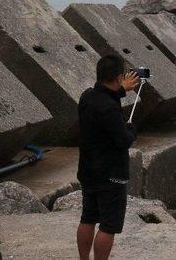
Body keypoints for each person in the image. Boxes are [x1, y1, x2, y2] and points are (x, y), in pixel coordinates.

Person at [76, 54, 139, 260]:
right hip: (110, 176)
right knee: (108, 226)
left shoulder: (86, 97)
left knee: (88, 218)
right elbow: (124, 140)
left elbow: (103, 98)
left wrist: (121, 91)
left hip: (88, 172)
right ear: (120, 76)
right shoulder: (110, 109)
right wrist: (131, 130)